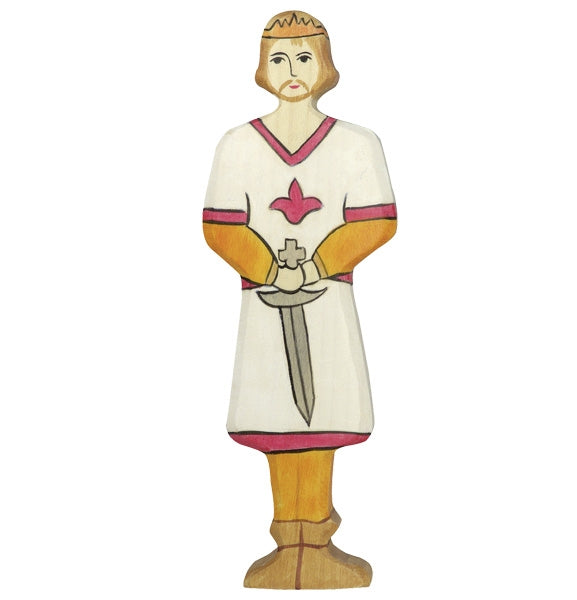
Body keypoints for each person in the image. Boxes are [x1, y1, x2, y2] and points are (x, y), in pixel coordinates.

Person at [203, 10, 396, 589]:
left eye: (305, 57)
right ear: (262, 68)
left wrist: (314, 265)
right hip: (265, 307)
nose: (292, 70)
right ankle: (289, 543)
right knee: (275, 419)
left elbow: (376, 220)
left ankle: (316, 540)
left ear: (326, 66)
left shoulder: (357, 144)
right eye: (279, 59)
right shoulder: (237, 144)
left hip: (328, 300)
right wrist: (269, 270)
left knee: (323, 414)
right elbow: (220, 225)